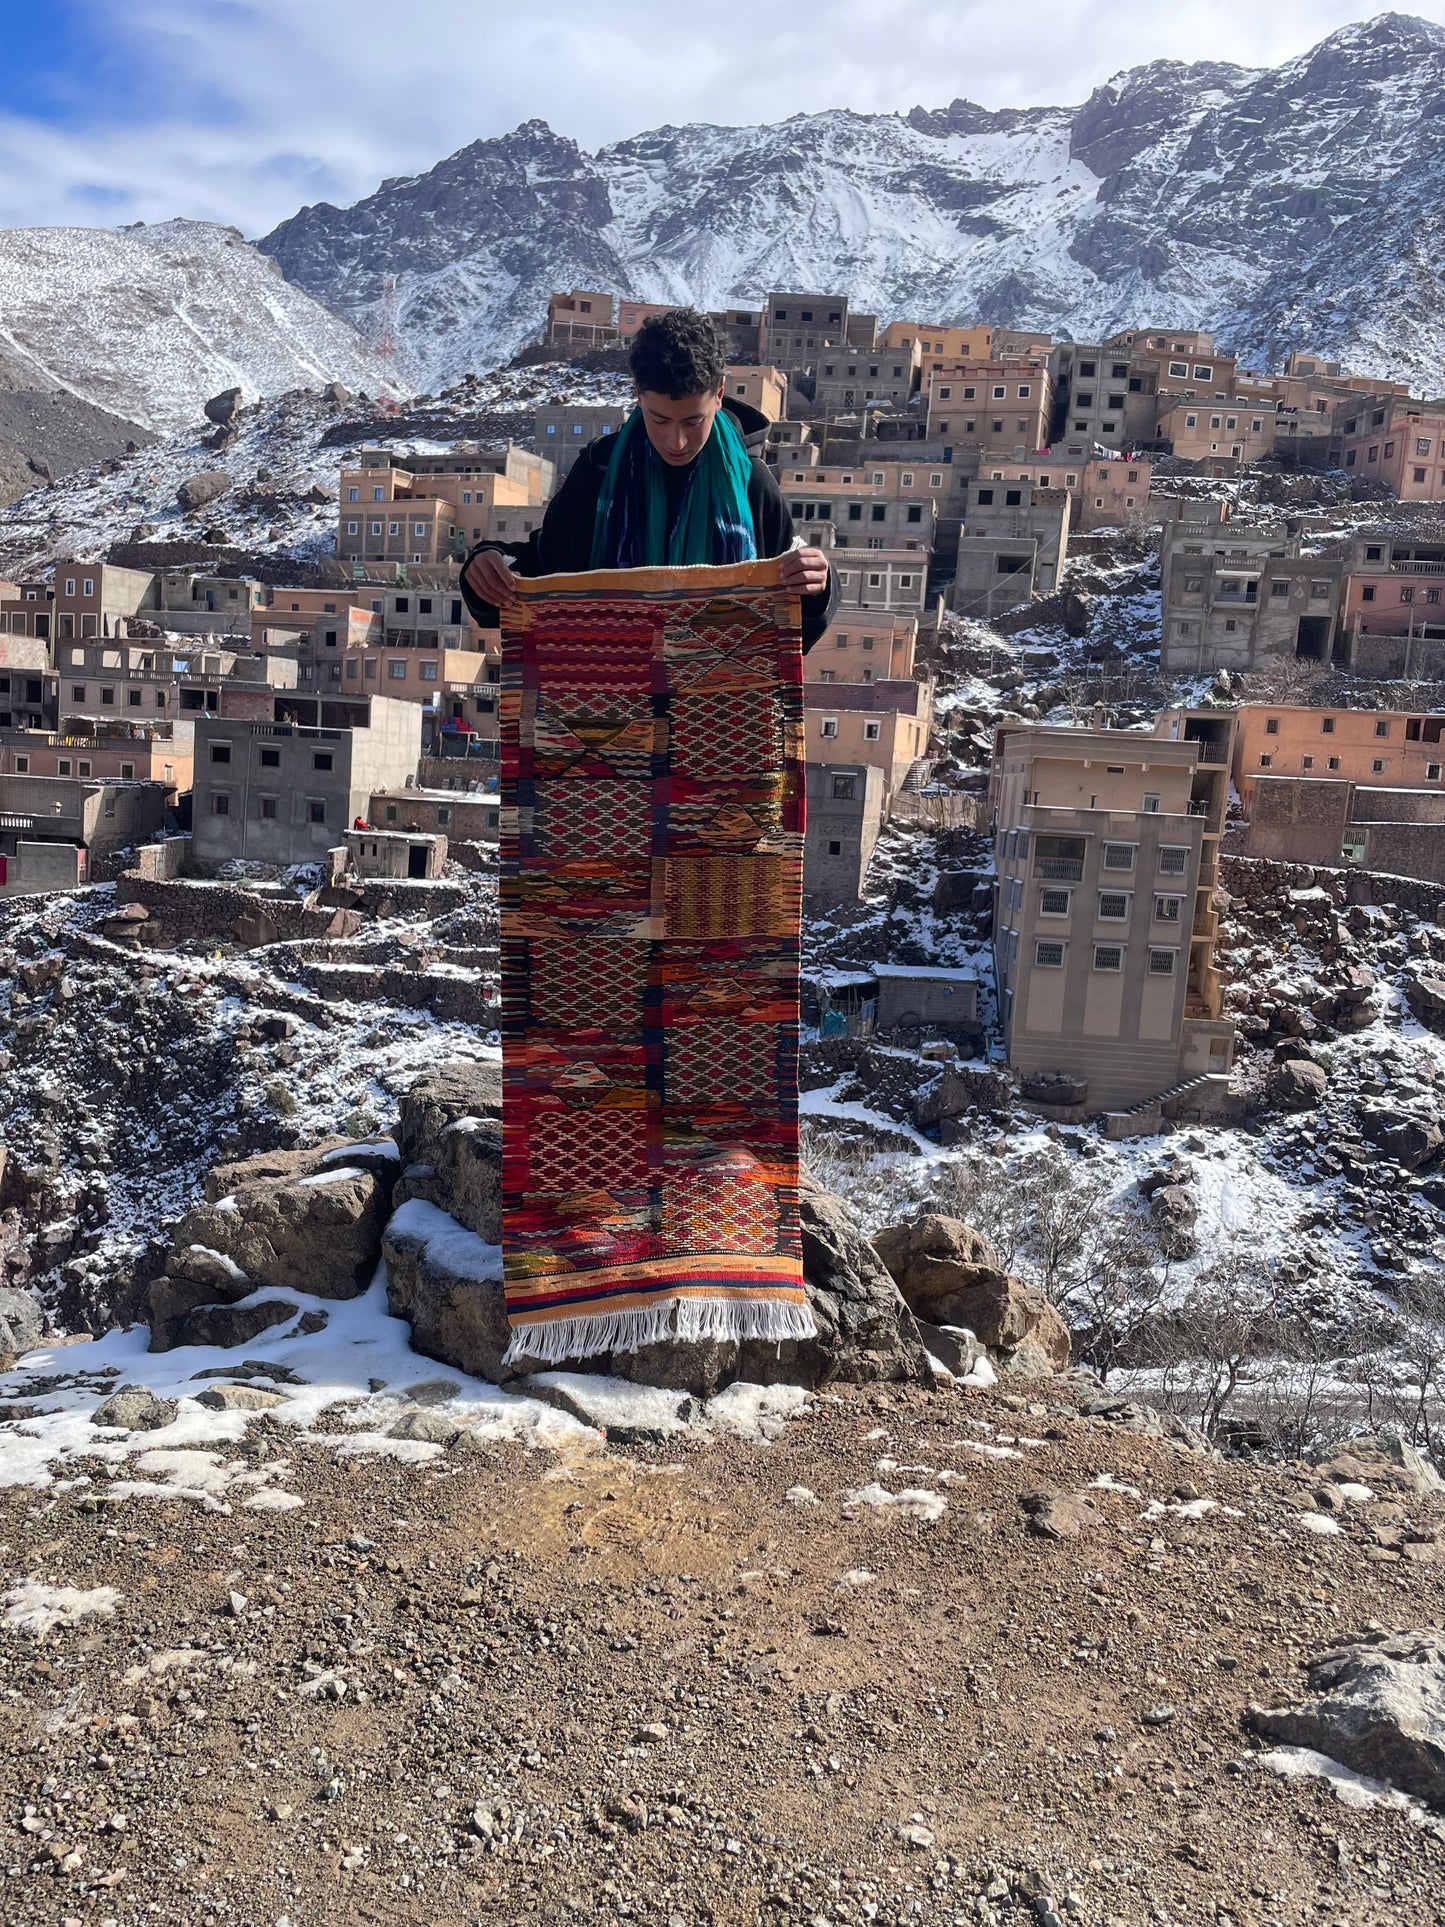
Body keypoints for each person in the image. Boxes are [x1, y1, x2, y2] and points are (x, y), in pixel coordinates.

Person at [460, 307, 837, 647]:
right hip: (610, 710)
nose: (677, 441)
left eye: (694, 421)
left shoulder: (753, 484)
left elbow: (789, 612)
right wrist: (487, 566)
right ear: (638, 392)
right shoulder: (598, 472)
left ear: (719, 393)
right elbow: (548, 573)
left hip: (714, 716)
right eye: (660, 419)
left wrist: (818, 584)